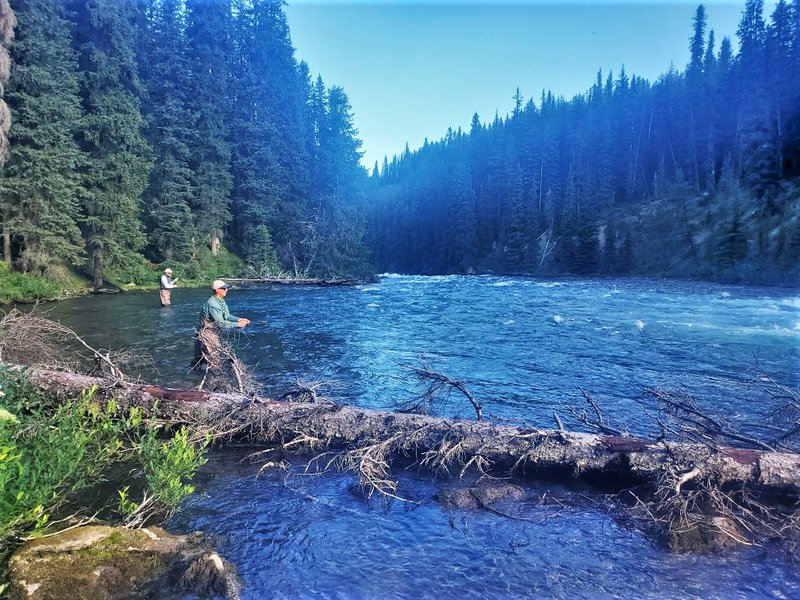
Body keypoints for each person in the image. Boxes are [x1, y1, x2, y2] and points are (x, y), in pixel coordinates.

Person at [193, 279, 250, 384]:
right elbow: (221, 324)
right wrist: (238, 325)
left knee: (201, 363)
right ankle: (214, 386)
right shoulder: (212, 304)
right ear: (217, 290)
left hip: (212, 334)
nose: (227, 290)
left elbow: (227, 316)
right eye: (224, 288)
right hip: (207, 336)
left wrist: (239, 319)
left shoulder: (221, 301)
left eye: (227, 288)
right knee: (214, 362)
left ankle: (198, 383)